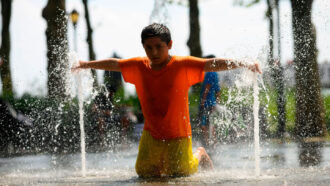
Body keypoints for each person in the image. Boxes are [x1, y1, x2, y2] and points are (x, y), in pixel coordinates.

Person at [72, 23, 261, 177]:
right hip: (151, 132)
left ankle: (200, 154)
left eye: (159, 47)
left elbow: (210, 64)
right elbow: (115, 64)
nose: (153, 52)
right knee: (145, 173)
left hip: (178, 132)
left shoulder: (181, 65)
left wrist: (245, 64)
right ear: (143, 47)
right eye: (149, 48)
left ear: (169, 45)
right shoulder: (139, 66)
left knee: (181, 172)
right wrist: (85, 65)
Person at [199, 55, 221, 148]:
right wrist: (217, 103)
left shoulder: (209, 73)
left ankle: (207, 144)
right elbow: (218, 91)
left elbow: (207, 88)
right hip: (212, 103)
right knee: (211, 123)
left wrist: (203, 101)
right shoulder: (215, 73)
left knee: (204, 124)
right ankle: (215, 143)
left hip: (207, 102)